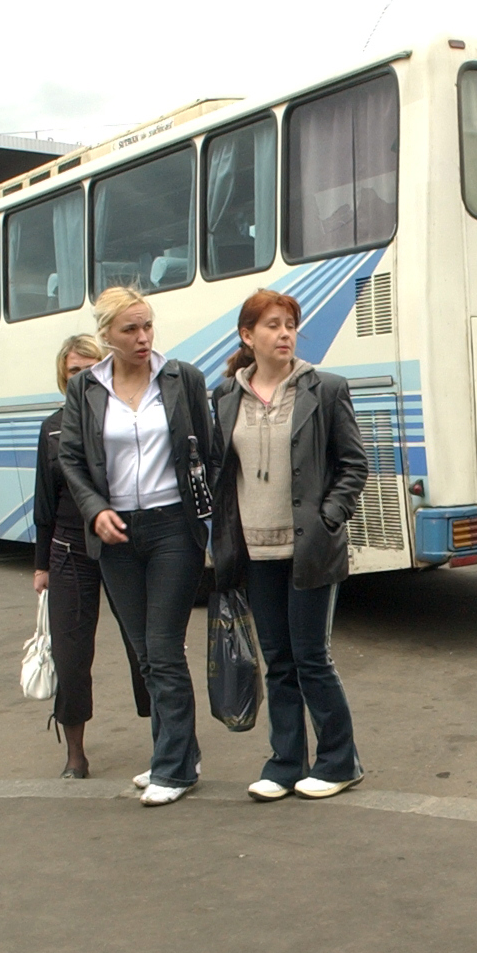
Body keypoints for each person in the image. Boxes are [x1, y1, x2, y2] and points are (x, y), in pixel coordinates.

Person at [207, 289, 370, 801]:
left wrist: (327, 520)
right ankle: (285, 763)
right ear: (247, 335)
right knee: (277, 659)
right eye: (273, 325)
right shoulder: (226, 396)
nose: (284, 334)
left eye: (290, 325)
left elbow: (353, 466)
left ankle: (339, 761)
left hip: (308, 550)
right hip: (253, 552)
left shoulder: (324, 389)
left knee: (311, 657)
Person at [58, 287, 216, 807]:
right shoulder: (86, 388)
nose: (144, 337)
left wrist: (207, 517)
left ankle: (173, 769)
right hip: (115, 531)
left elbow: (209, 452)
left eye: (148, 326)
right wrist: (94, 509)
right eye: (130, 330)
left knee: (165, 647)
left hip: (174, 527)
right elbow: (73, 460)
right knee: (146, 653)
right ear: (106, 335)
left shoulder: (181, 377)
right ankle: (180, 753)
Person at [31, 333, 150, 777]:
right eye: (72, 372)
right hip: (68, 548)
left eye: (88, 369)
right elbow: (44, 500)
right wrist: (41, 565)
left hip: (121, 544)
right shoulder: (53, 428)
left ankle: (168, 738)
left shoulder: (121, 419)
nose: (80, 378)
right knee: (71, 653)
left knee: (146, 647)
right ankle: (75, 753)